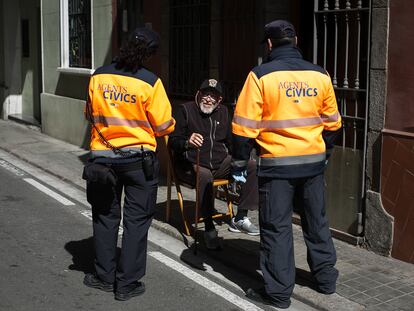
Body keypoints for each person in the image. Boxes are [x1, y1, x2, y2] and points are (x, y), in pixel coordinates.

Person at [231, 20, 342, 308]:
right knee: (316, 222)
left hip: (277, 166)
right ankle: (326, 281)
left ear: (269, 44)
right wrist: (323, 153)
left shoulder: (260, 76)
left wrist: (240, 164)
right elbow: (333, 124)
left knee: (276, 228)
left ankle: (279, 293)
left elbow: (243, 129)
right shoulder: (320, 75)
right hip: (313, 164)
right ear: (295, 40)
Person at [83, 27, 175, 301]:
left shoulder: (98, 76)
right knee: (136, 222)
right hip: (139, 163)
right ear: (150, 54)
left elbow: (89, 113)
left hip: (102, 160)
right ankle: (127, 284)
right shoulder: (150, 82)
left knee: (104, 217)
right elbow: (162, 126)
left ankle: (103, 276)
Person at [169, 78, 259, 250]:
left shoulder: (224, 112)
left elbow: (231, 142)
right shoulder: (185, 110)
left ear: (219, 101)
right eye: (205, 94)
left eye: (213, 96)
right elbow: (173, 141)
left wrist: (240, 158)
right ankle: (209, 228)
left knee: (252, 166)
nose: (208, 99)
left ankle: (240, 217)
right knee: (205, 176)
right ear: (199, 94)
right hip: (191, 164)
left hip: (219, 163)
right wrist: (187, 142)